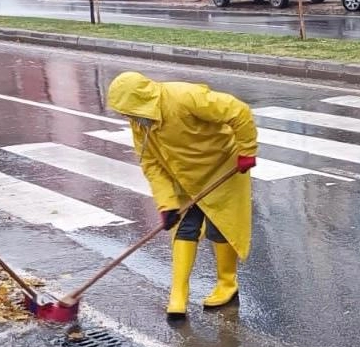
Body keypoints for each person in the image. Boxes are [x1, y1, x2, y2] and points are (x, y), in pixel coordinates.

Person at [106, 71, 257, 320]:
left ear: (141, 101)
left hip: (222, 166)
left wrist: (246, 150)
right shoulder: (141, 123)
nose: (126, 117)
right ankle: (178, 292)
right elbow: (151, 164)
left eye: (128, 111)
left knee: (221, 226)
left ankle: (227, 284)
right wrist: (166, 204)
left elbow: (238, 111)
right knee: (185, 226)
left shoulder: (184, 97)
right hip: (184, 176)